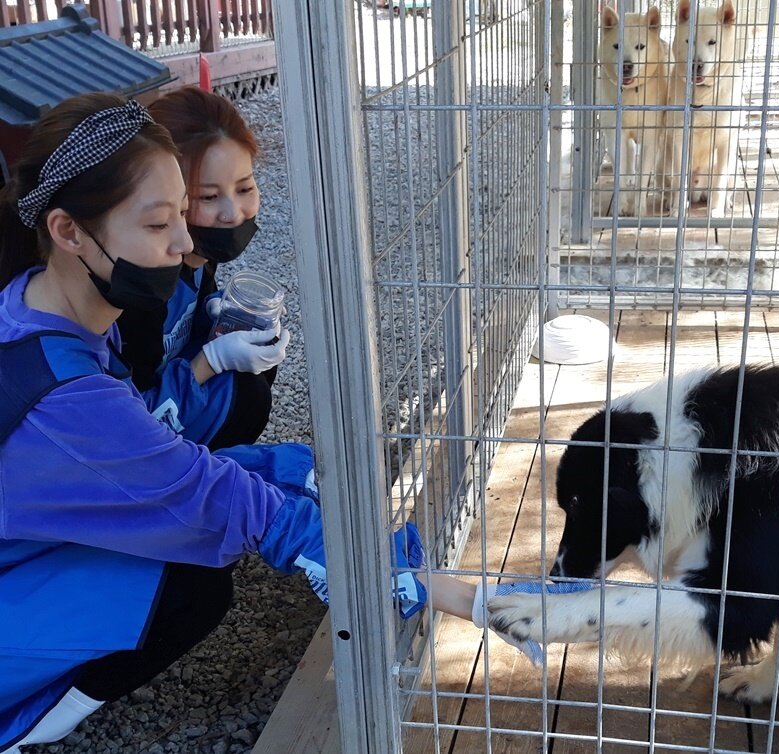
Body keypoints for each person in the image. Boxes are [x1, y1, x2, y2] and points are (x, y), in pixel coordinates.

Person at [0, 92, 556, 753]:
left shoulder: (41, 309)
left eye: (184, 214)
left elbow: (169, 465)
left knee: (244, 493)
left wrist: (295, 472)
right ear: (67, 231)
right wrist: (454, 594)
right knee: (189, 583)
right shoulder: (71, 396)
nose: (185, 245)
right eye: (158, 227)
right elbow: (220, 502)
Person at [116, 86, 285, 450]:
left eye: (245, 188)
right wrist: (211, 359)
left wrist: (222, 320)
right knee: (246, 395)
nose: (232, 213)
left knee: (255, 362)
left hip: (170, 390)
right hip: (137, 439)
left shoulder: (196, 257)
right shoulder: (140, 285)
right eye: (207, 196)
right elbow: (128, 426)